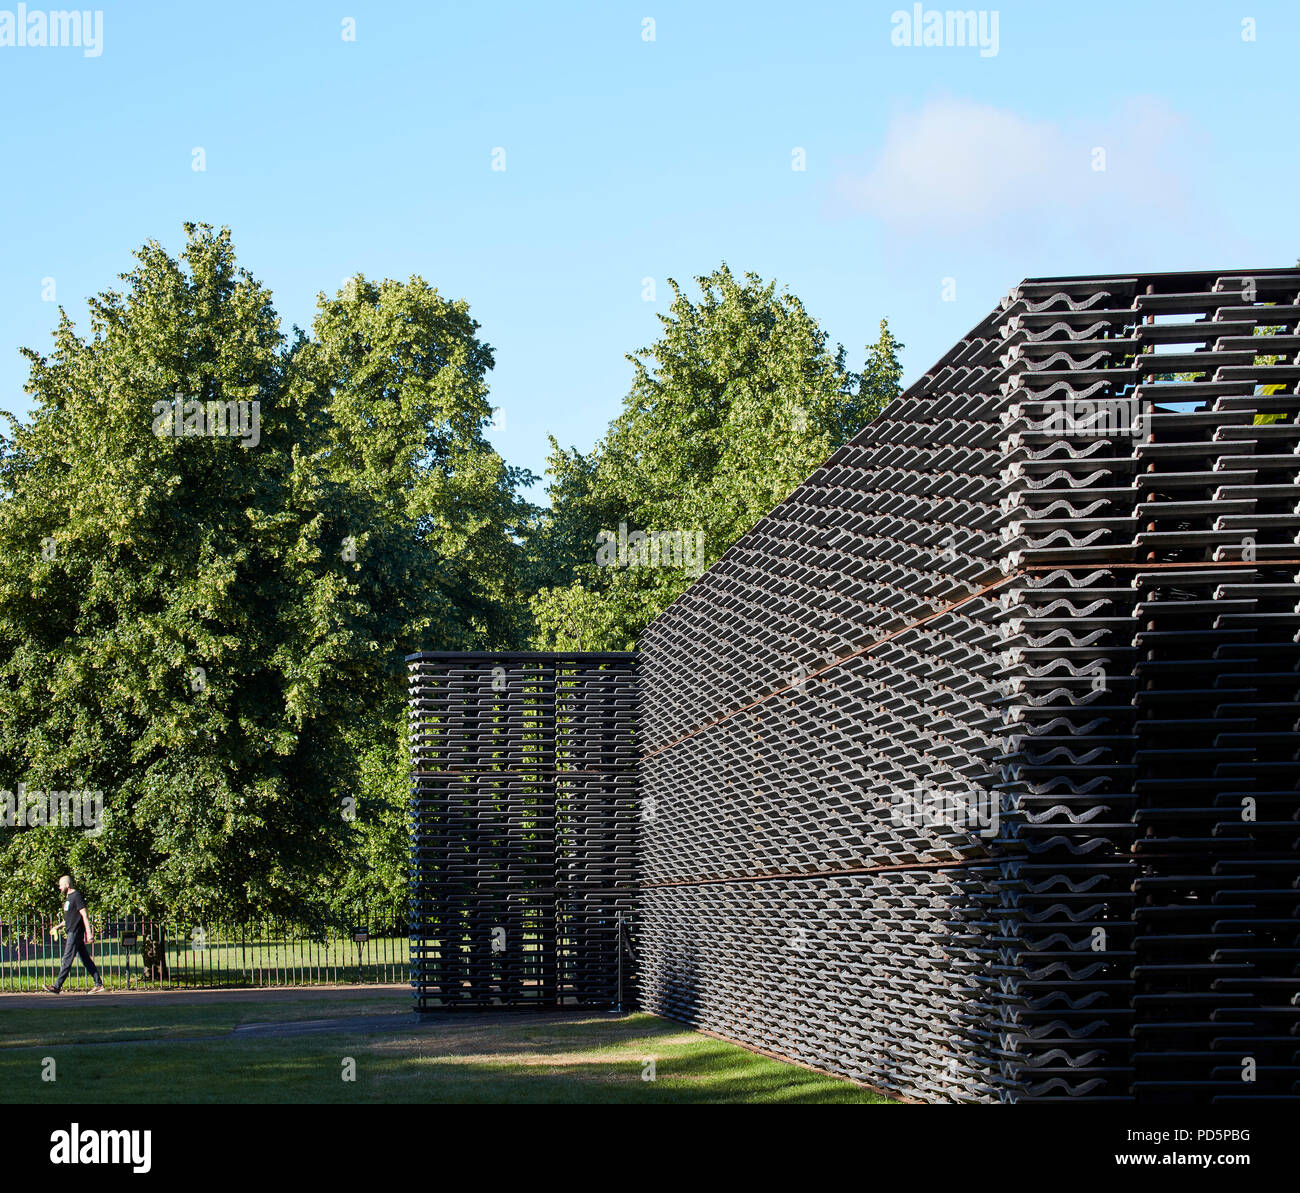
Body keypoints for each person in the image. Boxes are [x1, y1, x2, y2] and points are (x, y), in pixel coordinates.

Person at [43, 875, 105, 993]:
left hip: (75, 933)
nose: (59, 887)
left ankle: (57, 986)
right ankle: (98, 984)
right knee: (86, 960)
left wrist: (89, 933)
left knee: (67, 959)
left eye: (61, 885)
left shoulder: (76, 896)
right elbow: (69, 918)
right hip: (71, 931)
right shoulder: (68, 898)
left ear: (67, 884)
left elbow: (84, 915)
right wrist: (58, 926)